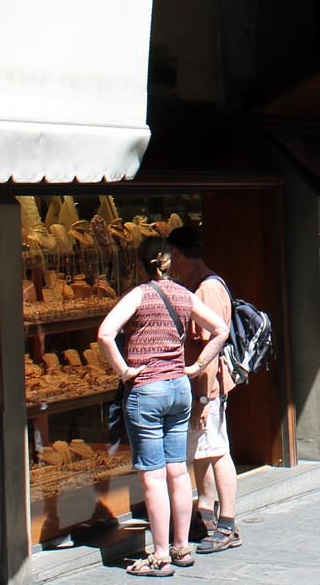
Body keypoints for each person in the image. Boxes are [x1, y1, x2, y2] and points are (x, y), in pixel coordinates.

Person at [98, 237, 230, 577]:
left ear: (140, 263)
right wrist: (198, 365)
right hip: (179, 388)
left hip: (147, 391)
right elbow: (220, 329)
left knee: (153, 477)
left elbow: (105, 333)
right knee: (178, 470)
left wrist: (125, 371)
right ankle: (182, 546)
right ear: (170, 262)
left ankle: (159, 555)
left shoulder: (138, 295)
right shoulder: (185, 294)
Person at [164, 225, 243, 554]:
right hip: (200, 385)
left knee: (217, 449)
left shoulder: (207, 289)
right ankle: (206, 512)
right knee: (203, 451)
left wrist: (202, 399)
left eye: (169, 256)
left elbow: (210, 347)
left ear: (178, 254)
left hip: (206, 386)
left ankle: (227, 523)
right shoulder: (196, 284)